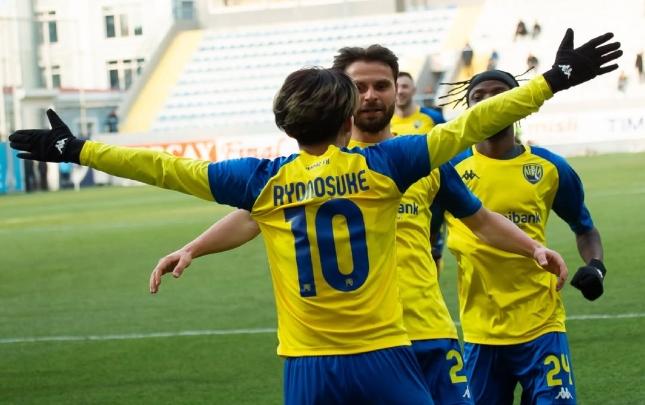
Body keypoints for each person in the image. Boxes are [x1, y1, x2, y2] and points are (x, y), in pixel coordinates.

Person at [10, 28, 621, 405]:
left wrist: (78, 149)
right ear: (346, 114)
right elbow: (470, 125)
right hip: (384, 352)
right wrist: (553, 80)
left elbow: (164, 168)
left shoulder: (262, 181)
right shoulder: (390, 165)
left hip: (306, 365)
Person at [150, 44, 574, 404]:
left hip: (427, 330)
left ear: (396, 90)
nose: (371, 96)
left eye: (382, 85)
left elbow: (479, 219)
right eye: (359, 87)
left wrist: (532, 247)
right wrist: (194, 247)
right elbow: (252, 217)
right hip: (357, 342)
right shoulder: (314, 170)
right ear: (341, 97)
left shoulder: (422, 159)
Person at [435, 68, 610, 404]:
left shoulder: (550, 167)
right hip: (480, 331)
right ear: (468, 108)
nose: (488, 101)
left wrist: (596, 266)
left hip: (542, 325)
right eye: (478, 96)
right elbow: (427, 236)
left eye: (498, 94)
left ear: (518, 103)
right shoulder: (448, 169)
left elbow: (584, 228)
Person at [391, 72, 445, 136]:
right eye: (396, 87)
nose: (399, 91)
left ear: (414, 90)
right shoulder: (385, 121)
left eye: (405, 86)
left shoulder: (434, 117)